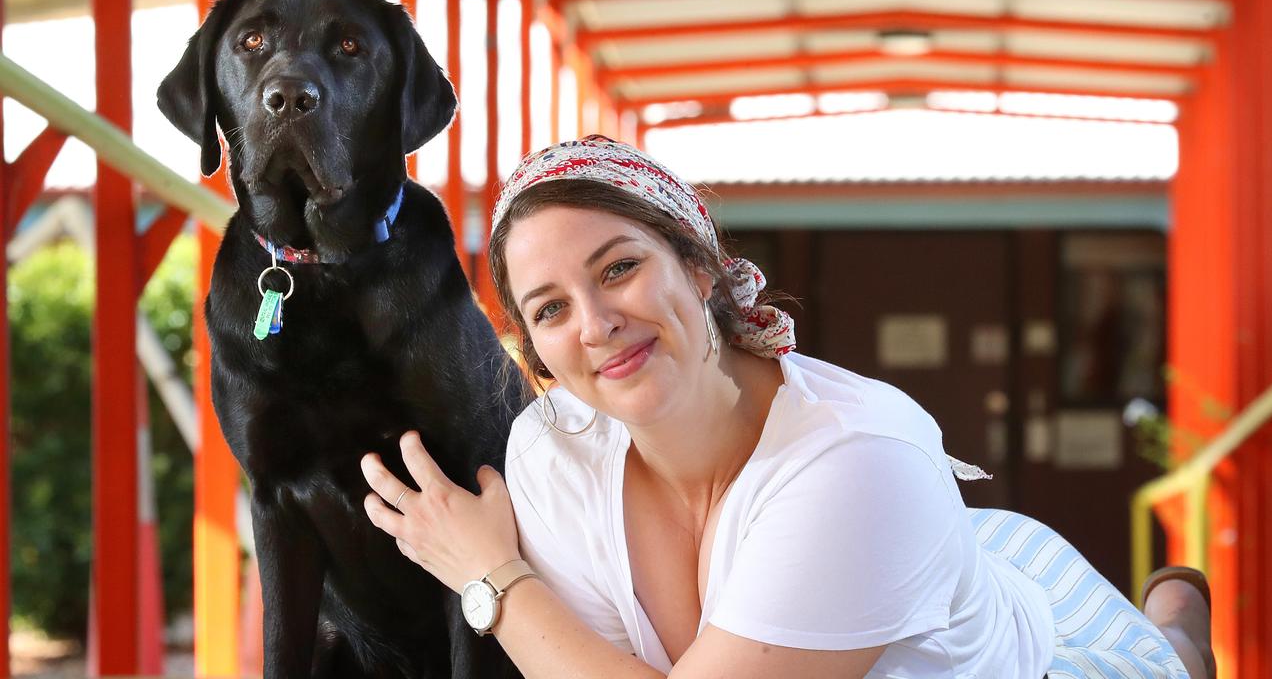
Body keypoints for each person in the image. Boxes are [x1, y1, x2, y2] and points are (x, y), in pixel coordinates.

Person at [360, 136, 1215, 678]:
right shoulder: (553, 449)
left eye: (618, 267)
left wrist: (491, 575)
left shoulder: (860, 466)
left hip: (1013, 650)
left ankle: (1175, 629)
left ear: (698, 266)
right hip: (905, 558)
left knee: (1163, 666)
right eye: (549, 308)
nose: (596, 323)